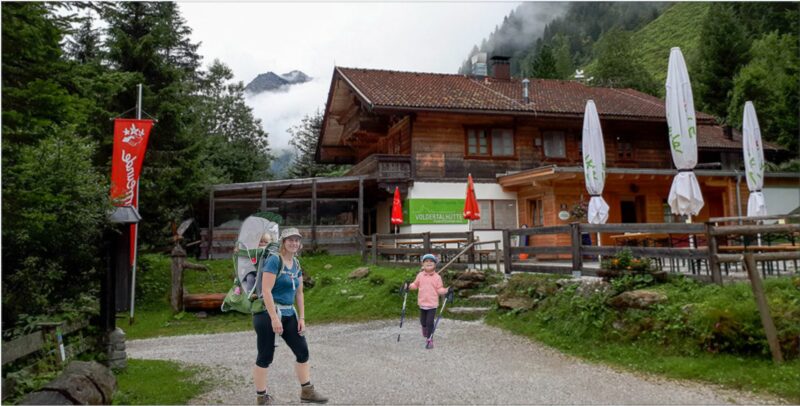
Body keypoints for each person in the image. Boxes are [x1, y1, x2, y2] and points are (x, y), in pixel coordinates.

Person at [252, 228, 328, 405]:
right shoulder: (274, 260)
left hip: (289, 312)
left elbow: (299, 293)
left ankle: (307, 392)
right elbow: (266, 291)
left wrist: (301, 318)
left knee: (303, 351)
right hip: (267, 314)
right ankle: (261, 398)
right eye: (290, 240)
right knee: (265, 356)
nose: (294, 243)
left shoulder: (296, 264)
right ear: (283, 242)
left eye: (297, 240)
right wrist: (274, 318)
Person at [407, 253, 451, 349]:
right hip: (422, 303)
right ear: (423, 264)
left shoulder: (437, 277)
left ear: (435, 265)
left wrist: (446, 290)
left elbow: (439, 289)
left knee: (430, 322)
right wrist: (409, 286)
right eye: (426, 261)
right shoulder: (420, 275)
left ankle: (430, 340)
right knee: (423, 321)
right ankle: (424, 328)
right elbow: (415, 285)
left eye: (431, 261)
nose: (429, 263)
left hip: (432, 304)